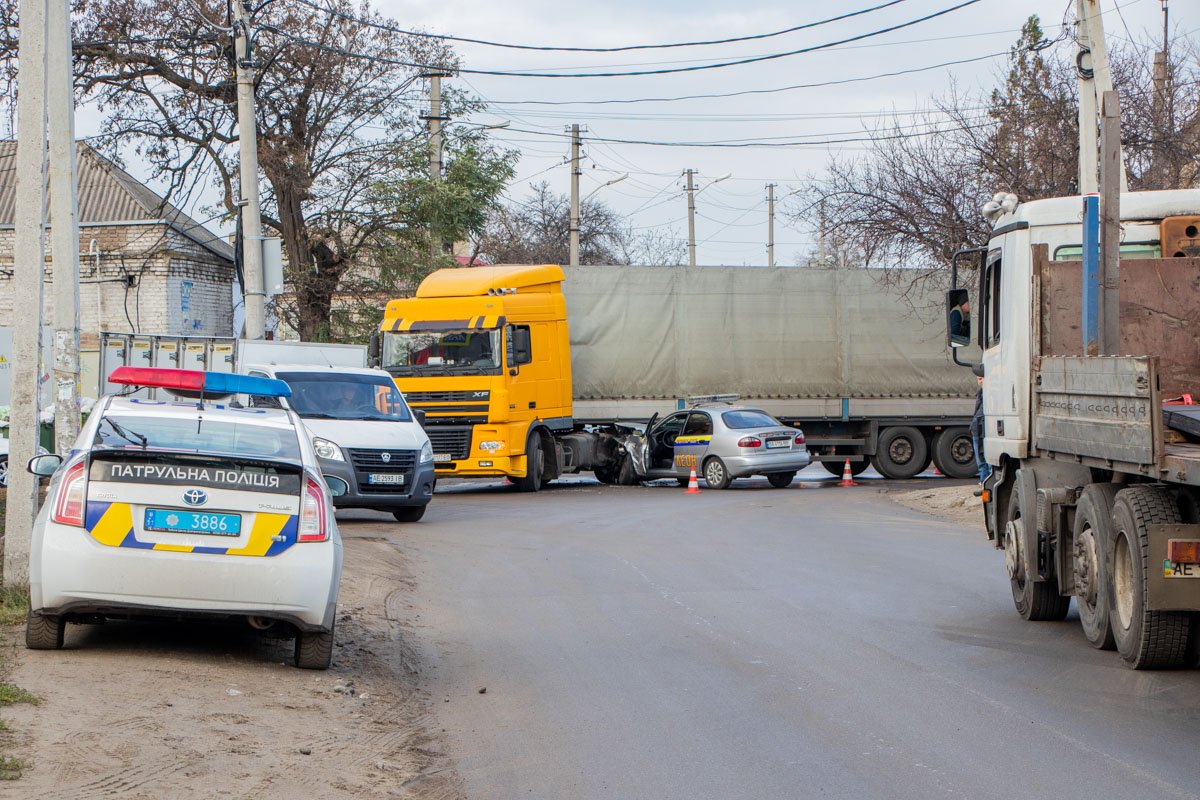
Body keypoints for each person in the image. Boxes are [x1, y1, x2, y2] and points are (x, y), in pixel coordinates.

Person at [970, 363, 991, 483]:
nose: (980, 381)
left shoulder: (989, 393)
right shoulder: (981, 392)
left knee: (985, 459)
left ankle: (986, 481)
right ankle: (984, 481)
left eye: (981, 378)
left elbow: (981, 413)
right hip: (977, 429)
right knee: (981, 459)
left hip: (982, 429)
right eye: (978, 379)